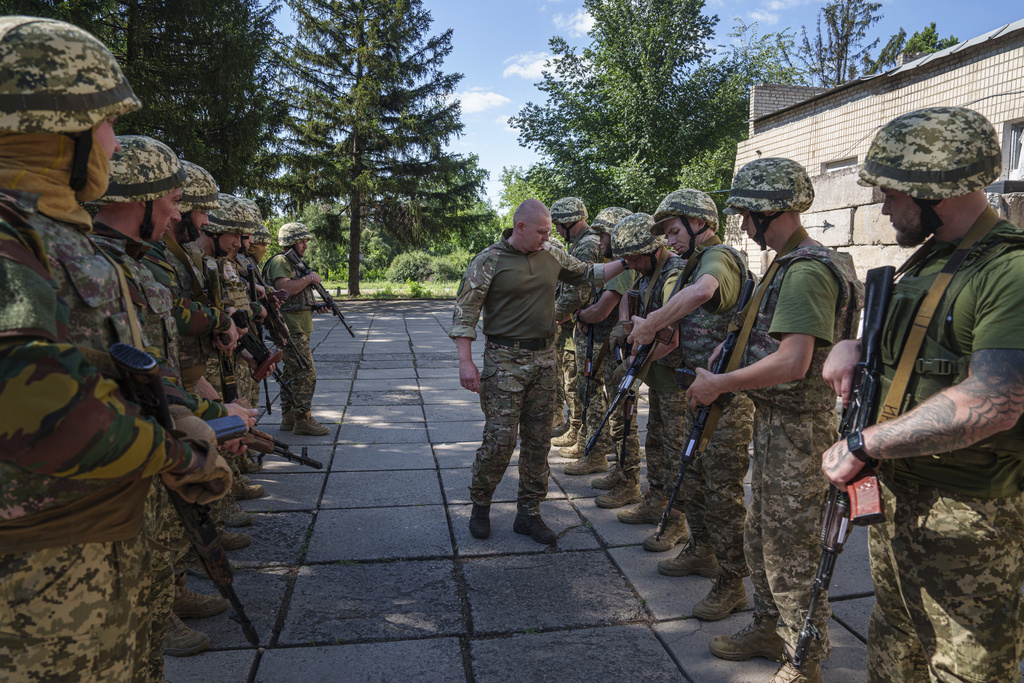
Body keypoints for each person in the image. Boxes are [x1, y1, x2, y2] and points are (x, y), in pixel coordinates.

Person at [0, 16, 231, 682]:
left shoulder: (43, 228)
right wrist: (176, 449)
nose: (111, 142)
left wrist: (179, 409)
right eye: (100, 123)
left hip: (84, 546)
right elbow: (36, 402)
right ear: (53, 128)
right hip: (39, 577)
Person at [821, 106, 1024, 683]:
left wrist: (865, 442)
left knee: (967, 666)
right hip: (900, 492)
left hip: (968, 512)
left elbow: (996, 400)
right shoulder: (932, 261)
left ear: (936, 190)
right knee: (897, 635)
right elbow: (907, 350)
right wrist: (853, 345)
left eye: (891, 193)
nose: (883, 207)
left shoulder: (1009, 272)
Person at [686, 158, 861, 683]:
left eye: (747, 214)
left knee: (792, 547)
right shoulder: (789, 264)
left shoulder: (805, 270)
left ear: (771, 212)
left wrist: (718, 385)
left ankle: (804, 659)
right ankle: (769, 628)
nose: (741, 225)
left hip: (798, 430)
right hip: (776, 420)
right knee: (763, 534)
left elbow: (794, 361)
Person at [451, 198, 628, 544]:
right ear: (520, 228)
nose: (547, 237)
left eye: (550, 231)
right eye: (542, 232)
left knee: (537, 442)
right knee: (500, 440)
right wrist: (465, 361)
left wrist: (628, 261)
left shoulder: (551, 254)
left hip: (545, 360)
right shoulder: (489, 260)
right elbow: (465, 313)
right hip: (504, 361)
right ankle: (481, 504)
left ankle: (529, 512)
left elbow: (589, 273)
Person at [627, 189, 755, 620]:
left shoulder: (719, 258)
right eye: (665, 234)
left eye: (674, 230)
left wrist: (651, 326)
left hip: (724, 399)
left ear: (701, 223)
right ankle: (703, 550)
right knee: (693, 480)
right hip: (697, 391)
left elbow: (704, 293)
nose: (669, 240)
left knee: (723, 492)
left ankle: (733, 580)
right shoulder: (689, 264)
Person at [607, 212, 691, 552]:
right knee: (656, 443)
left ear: (653, 248)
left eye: (632, 257)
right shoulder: (648, 272)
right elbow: (632, 296)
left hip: (677, 379)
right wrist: (625, 322)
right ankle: (656, 502)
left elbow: (671, 336)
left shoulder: (672, 274)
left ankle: (677, 521)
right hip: (659, 376)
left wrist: (631, 365)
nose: (629, 264)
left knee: (676, 453)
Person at [573, 207, 640, 505]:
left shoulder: (624, 270)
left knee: (622, 418)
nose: (599, 241)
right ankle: (621, 472)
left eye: (604, 235)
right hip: (611, 350)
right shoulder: (618, 267)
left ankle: (628, 481)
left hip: (619, 353)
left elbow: (602, 311)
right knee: (617, 415)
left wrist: (579, 314)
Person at [264, 221, 332, 436]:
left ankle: (289, 417)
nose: (305, 245)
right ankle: (303, 418)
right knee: (306, 372)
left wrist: (315, 306)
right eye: (301, 241)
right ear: (290, 242)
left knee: (293, 373)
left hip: (299, 325)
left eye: (305, 241)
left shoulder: (293, 263)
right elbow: (284, 288)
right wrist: (309, 278)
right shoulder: (280, 261)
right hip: (289, 327)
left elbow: (296, 296)